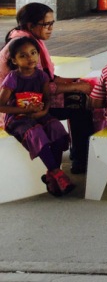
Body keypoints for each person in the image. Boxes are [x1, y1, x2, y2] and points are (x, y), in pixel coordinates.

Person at [0, 2, 94, 174]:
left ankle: (76, 155)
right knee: (79, 102)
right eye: (46, 24)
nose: (51, 28)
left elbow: (47, 78)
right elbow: (41, 86)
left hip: (31, 98)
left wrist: (74, 81)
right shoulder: (25, 47)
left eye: (52, 23)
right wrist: (78, 87)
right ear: (31, 26)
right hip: (18, 107)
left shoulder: (27, 39)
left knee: (78, 95)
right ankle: (81, 159)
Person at [0, 37, 74, 196]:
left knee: (57, 130)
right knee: (36, 132)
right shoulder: (13, 78)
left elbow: (46, 99)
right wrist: (26, 111)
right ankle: (57, 173)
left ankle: (52, 177)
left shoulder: (42, 76)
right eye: (23, 55)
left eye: (33, 53)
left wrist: (43, 111)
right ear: (14, 60)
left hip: (38, 114)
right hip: (17, 119)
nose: (30, 58)